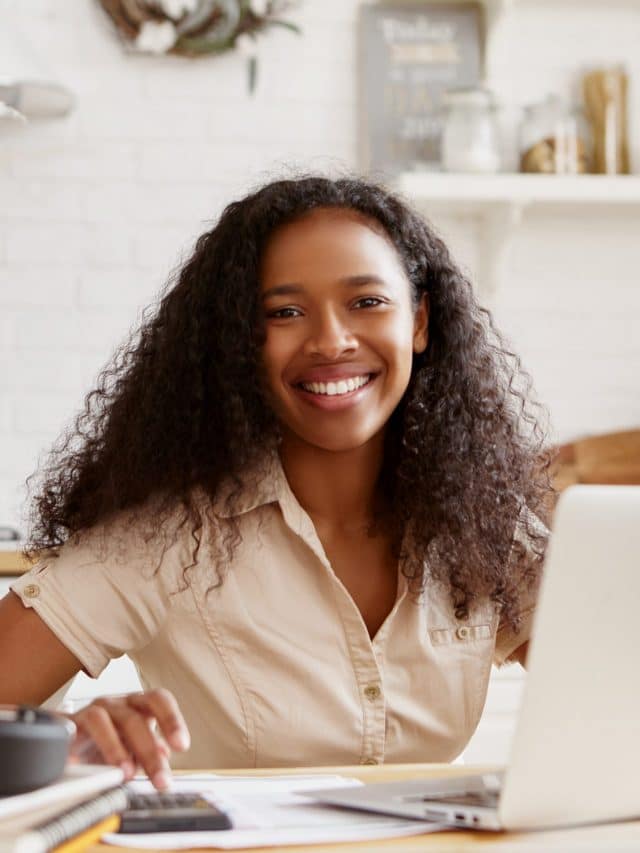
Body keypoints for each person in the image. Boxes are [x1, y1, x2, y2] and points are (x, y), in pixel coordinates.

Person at [0, 175, 552, 791]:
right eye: (284, 312)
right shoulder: (166, 539)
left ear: (419, 322)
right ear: (242, 344)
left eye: (366, 302)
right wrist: (68, 741)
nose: (331, 341)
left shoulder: (483, 526)